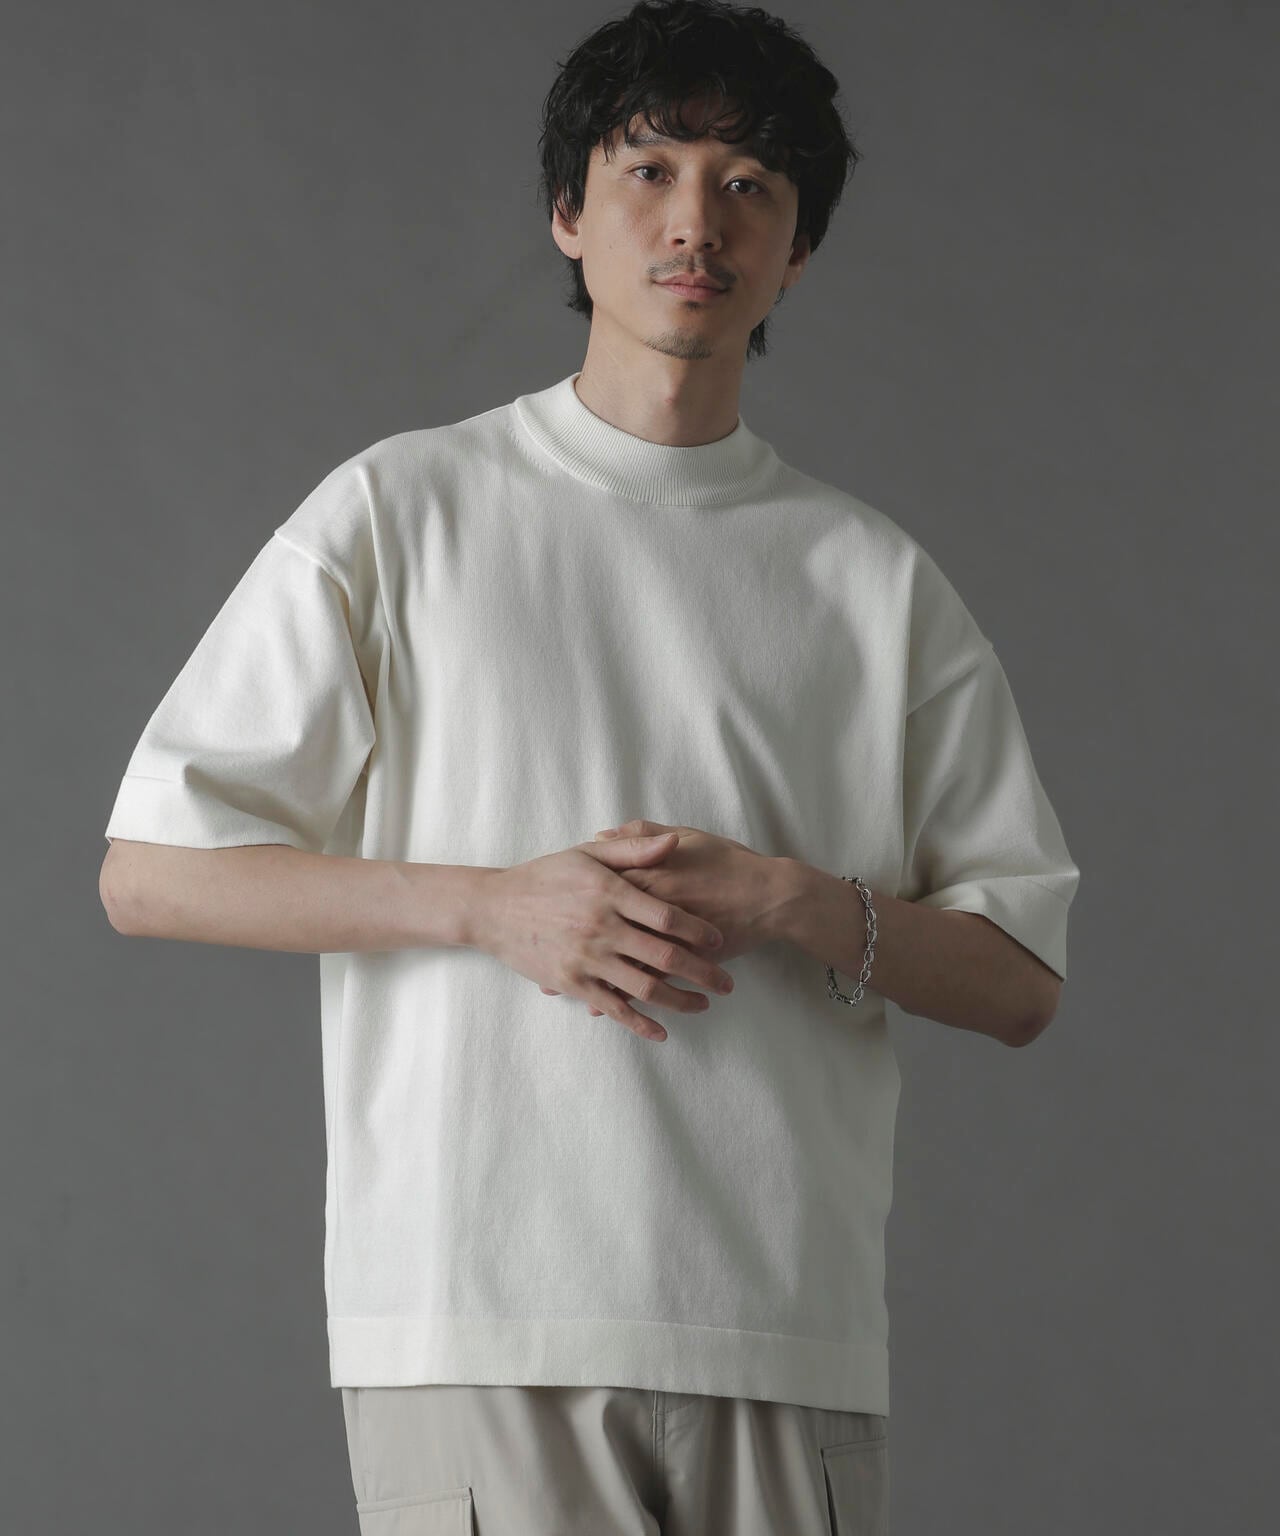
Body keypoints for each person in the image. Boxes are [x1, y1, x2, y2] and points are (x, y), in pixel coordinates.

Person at [98, 2, 1080, 1531]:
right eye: (650, 168)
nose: (698, 220)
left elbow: (1021, 978)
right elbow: (152, 874)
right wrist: (492, 907)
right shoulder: (401, 511)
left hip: (785, 1332)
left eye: (750, 184)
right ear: (569, 211)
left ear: (799, 248)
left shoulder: (873, 583)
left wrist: (798, 902)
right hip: (478, 1325)